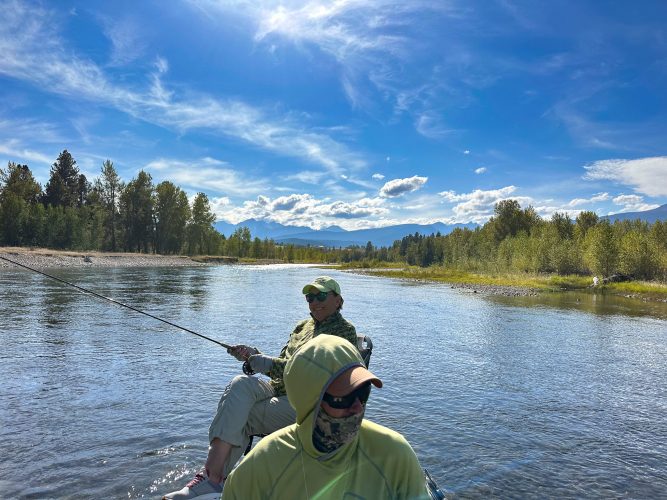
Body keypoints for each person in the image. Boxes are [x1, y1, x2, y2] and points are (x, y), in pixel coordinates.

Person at [163, 276, 359, 499]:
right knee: (239, 385)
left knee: (243, 415)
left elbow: (312, 373)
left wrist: (265, 363)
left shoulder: (344, 332)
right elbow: (282, 361)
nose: (314, 302)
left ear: (338, 300)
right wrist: (252, 355)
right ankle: (212, 477)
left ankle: (212, 480)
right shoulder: (302, 326)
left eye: (321, 295)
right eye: (310, 297)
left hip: (310, 403)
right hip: (279, 389)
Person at [222, 334, 430, 499]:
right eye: (343, 399)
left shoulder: (395, 455)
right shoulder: (261, 464)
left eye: (363, 392)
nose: (358, 407)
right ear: (309, 403)